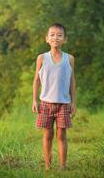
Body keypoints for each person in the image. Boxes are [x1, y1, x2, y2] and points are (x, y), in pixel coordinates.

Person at [32, 23, 76, 170]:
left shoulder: (69, 59)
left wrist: (73, 102)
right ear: (47, 38)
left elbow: (72, 81)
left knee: (62, 135)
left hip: (63, 103)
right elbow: (36, 80)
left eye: (59, 35)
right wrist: (34, 100)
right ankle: (48, 166)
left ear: (65, 39)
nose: (55, 38)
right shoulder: (42, 58)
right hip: (45, 103)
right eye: (52, 34)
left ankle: (63, 166)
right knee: (48, 135)